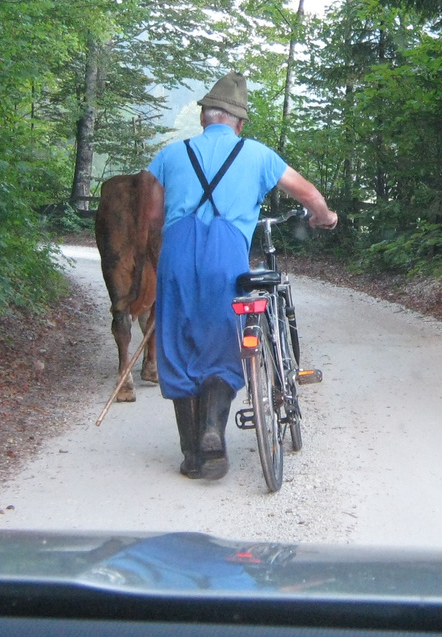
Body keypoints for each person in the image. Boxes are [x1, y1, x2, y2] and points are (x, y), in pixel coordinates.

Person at [144, 71, 337, 480]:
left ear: (203, 118)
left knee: (177, 342)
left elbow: (152, 218)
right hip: (226, 256)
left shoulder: (169, 155)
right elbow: (308, 195)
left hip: (177, 253)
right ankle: (214, 433)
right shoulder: (258, 154)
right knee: (223, 338)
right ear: (239, 123)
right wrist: (325, 217)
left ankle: (191, 453)